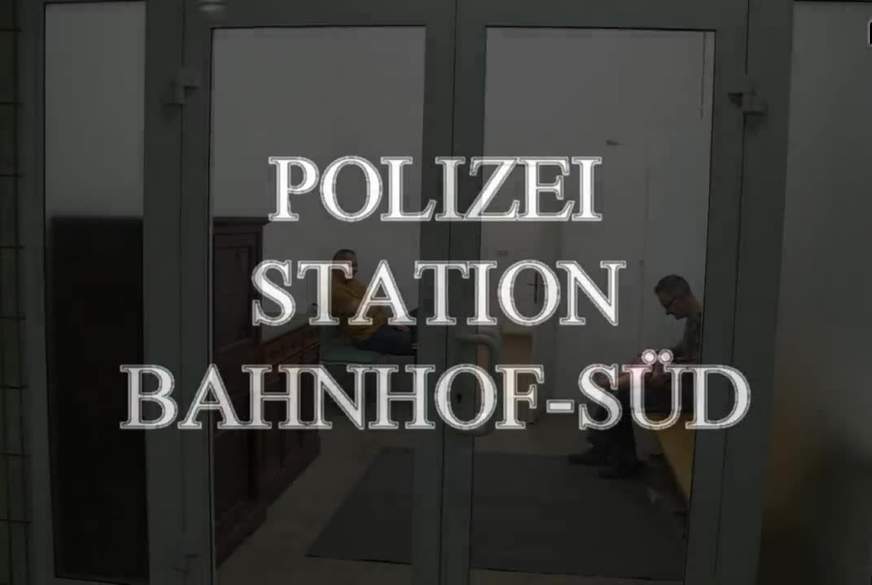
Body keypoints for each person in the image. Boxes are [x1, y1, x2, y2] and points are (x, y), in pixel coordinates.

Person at [568, 274, 702, 478]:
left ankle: (624, 461)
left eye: (667, 305)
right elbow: (682, 350)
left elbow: (698, 366)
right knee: (617, 390)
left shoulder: (704, 322)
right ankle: (602, 448)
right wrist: (657, 354)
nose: (667, 312)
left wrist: (664, 372)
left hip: (689, 393)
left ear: (681, 297)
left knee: (622, 395)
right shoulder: (694, 319)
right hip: (679, 385)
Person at [330, 248, 416, 356]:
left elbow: (374, 304)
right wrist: (373, 305)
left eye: (356, 265)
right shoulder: (335, 291)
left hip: (381, 326)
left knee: (418, 316)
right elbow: (364, 311)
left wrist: (390, 321)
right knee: (410, 339)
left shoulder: (352, 282)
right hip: (366, 336)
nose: (356, 270)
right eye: (352, 266)